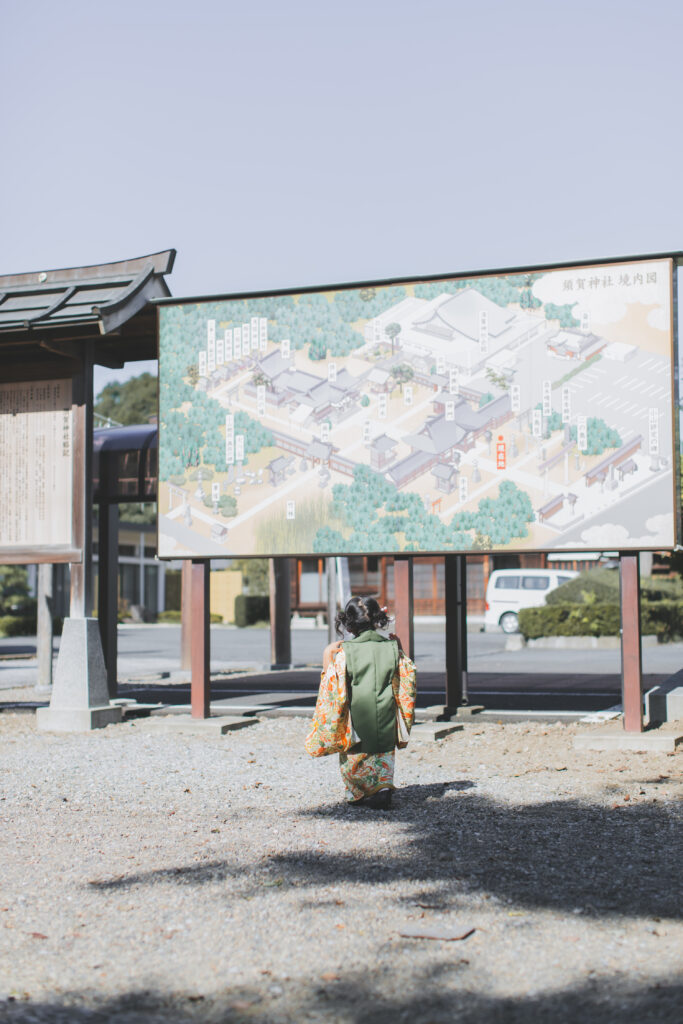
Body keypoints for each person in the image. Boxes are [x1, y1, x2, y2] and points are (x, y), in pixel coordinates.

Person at [305, 596, 417, 809]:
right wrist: (398, 645)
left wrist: (326, 655)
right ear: (377, 620)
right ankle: (383, 788)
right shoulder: (391, 647)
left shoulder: (345, 651)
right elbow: (406, 676)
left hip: (356, 716)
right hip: (385, 712)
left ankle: (358, 792)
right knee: (382, 754)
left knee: (356, 757)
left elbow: (332, 686)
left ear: (349, 623)